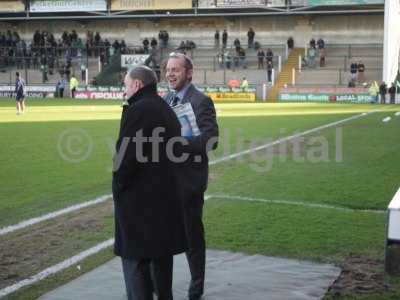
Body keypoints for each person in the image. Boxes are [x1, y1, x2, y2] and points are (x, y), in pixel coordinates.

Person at [113, 66, 187, 300]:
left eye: (126, 85)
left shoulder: (139, 110)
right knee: (162, 263)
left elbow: (126, 159)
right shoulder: (166, 108)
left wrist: (118, 187)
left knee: (136, 264)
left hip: (139, 203)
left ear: (136, 85)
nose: (124, 90)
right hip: (164, 199)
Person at [164, 53, 219, 300]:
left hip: (189, 182)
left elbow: (211, 140)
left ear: (189, 73)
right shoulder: (166, 99)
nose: (170, 73)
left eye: (176, 69)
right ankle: (160, 286)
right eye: (167, 69)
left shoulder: (201, 100)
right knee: (161, 234)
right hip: (165, 181)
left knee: (191, 236)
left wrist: (180, 143)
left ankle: (196, 288)